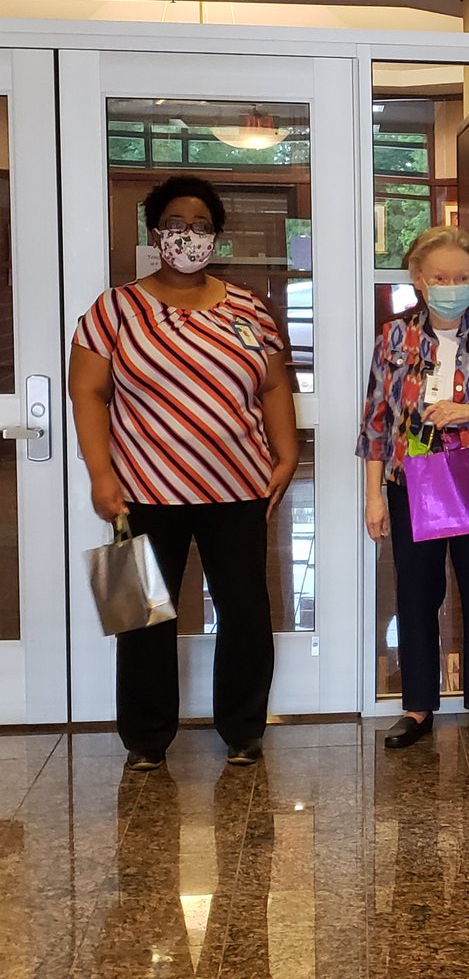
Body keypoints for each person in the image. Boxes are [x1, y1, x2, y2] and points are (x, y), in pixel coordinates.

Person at [69, 174, 298, 772]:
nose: (188, 236)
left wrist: (286, 453)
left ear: (215, 236)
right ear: (155, 233)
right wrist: (100, 475)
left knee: (245, 611)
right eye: (176, 224)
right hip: (140, 490)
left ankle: (243, 729)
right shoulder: (113, 309)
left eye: (200, 226)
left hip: (238, 487)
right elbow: (87, 392)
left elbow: (274, 386)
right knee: (139, 615)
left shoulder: (248, 307)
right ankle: (145, 739)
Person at [357, 226, 469, 750]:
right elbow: (376, 423)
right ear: (419, 280)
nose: (451, 286)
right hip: (412, 480)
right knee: (416, 591)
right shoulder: (394, 338)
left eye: (461, 277)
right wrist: (373, 495)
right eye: (440, 278)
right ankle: (417, 707)